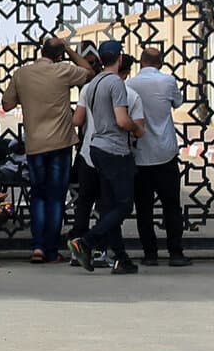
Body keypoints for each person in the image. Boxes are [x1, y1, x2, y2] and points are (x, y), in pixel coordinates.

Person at [0, 35, 91, 263]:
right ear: (59, 55)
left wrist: (25, 96)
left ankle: (38, 248)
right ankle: (51, 250)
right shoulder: (63, 70)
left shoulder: (22, 74)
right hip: (60, 144)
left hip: (34, 145)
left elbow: (6, 103)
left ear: (41, 52)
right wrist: (69, 49)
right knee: (56, 197)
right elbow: (89, 72)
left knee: (38, 195)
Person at [67, 38, 142, 275]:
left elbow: (78, 119)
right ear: (120, 59)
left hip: (95, 147)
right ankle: (86, 242)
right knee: (123, 205)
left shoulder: (93, 84)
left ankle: (121, 259)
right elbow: (121, 120)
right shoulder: (116, 84)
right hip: (114, 150)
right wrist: (136, 128)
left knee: (110, 206)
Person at [129, 46, 191, 268]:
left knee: (143, 209)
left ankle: (150, 254)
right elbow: (177, 103)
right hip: (165, 152)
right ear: (160, 63)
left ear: (141, 61)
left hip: (140, 155)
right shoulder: (168, 81)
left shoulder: (130, 84)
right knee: (171, 206)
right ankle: (175, 253)